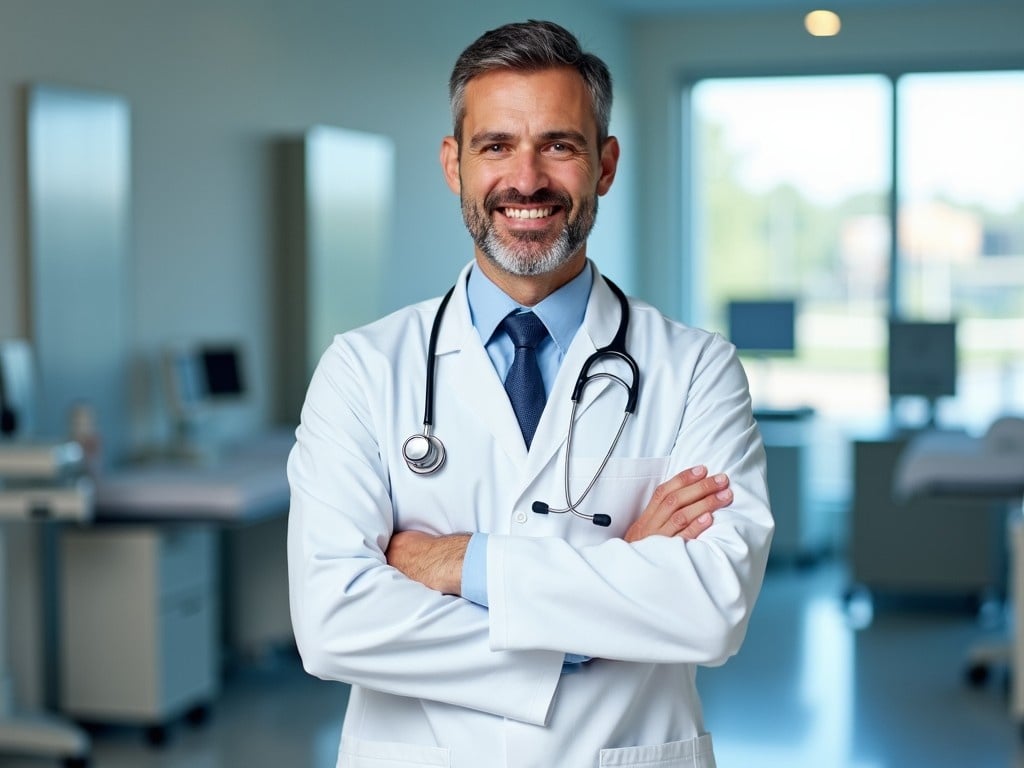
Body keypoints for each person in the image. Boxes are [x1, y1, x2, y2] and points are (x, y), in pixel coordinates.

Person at [287, 19, 773, 768]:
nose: (526, 180)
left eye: (560, 144)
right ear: (454, 164)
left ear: (605, 165)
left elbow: (710, 609)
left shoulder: (696, 369)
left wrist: (459, 564)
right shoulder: (362, 369)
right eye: (495, 146)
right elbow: (332, 622)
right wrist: (602, 603)